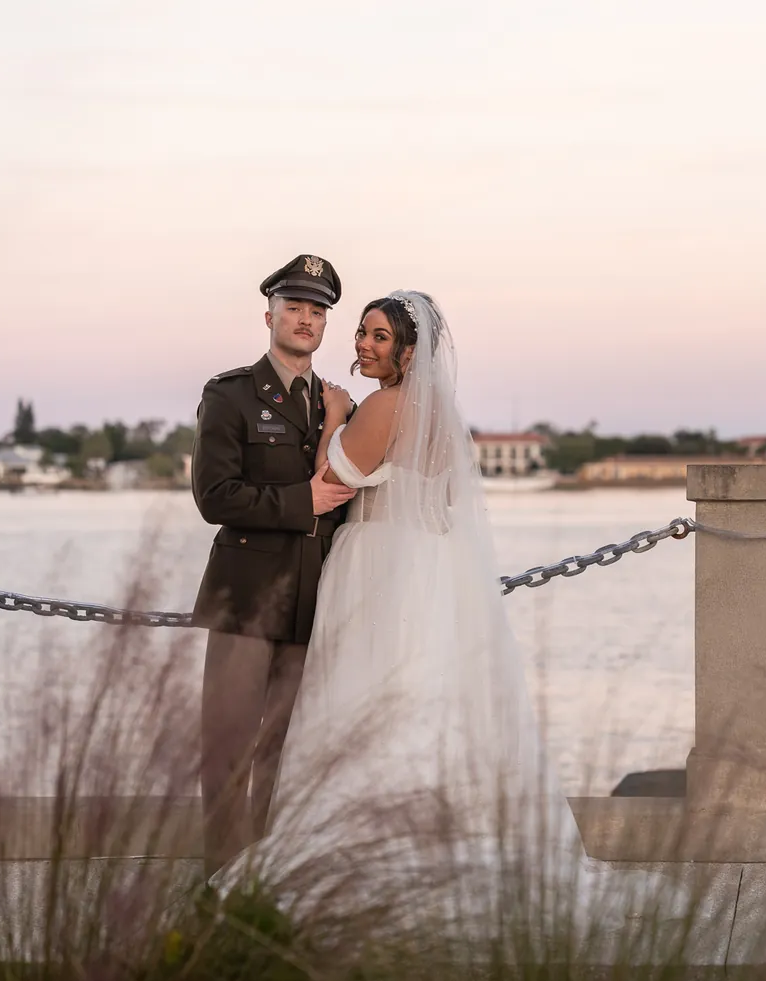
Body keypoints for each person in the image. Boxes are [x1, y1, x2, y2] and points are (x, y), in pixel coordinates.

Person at [213, 290, 686, 936]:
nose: (363, 346)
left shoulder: (380, 405)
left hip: (378, 564)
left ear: (410, 352)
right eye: (361, 334)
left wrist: (333, 413)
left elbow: (334, 475)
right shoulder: (442, 415)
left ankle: (357, 851)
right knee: (423, 698)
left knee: (367, 695)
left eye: (379, 337)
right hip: (428, 570)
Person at [189, 253, 357, 877]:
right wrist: (301, 502)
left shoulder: (337, 405)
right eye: (295, 308)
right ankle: (221, 878)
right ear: (270, 315)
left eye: (318, 311)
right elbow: (214, 497)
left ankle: (269, 879)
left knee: (287, 752)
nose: (306, 319)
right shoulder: (229, 394)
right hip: (247, 596)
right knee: (229, 747)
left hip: (315, 601)